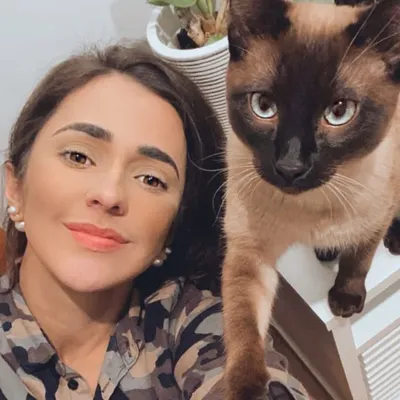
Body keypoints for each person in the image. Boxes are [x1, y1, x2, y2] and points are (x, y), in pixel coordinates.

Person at [0, 42, 310, 399]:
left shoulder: (197, 325)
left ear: (173, 228)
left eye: (151, 179)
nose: (110, 194)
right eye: (79, 156)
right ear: (16, 186)